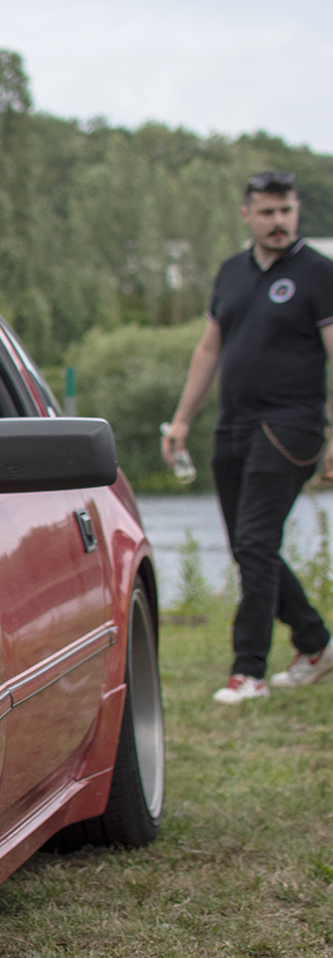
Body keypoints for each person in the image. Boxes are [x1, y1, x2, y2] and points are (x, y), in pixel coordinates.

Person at [163, 170, 333, 704]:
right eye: (267, 212)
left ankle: (248, 672)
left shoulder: (318, 273)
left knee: (256, 542)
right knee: (246, 546)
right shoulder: (231, 272)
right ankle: (315, 643)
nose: (278, 221)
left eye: (286, 210)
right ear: (247, 215)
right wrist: (183, 419)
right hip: (232, 424)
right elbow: (209, 348)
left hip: (291, 425)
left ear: (296, 210)